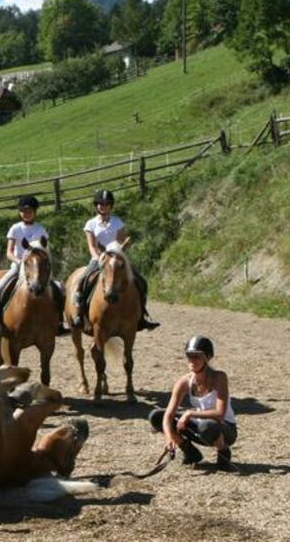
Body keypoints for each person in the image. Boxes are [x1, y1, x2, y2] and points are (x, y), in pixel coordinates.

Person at [71, 189, 160, 331]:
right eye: (100, 203)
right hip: (98, 258)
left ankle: (142, 315)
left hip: (117, 258)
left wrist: (123, 247)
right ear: (96, 205)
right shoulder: (91, 224)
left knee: (140, 281)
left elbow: (120, 241)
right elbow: (92, 246)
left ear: (110, 206)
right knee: (83, 281)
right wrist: (98, 257)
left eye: (106, 204)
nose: (103, 206)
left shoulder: (117, 222)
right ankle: (79, 314)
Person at [149, 335, 237, 471]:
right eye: (189, 355)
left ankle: (223, 452)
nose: (191, 360)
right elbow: (168, 416)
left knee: (207, 425)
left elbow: (220, 414)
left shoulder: (219, 377)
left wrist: (189, 413)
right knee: (156, 416)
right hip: (201, 427)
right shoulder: (183, 382)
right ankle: (191, 452)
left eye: (197, 356)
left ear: (208, 357)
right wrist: (169, 438)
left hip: (225, 429)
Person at [0, 195, 66, 338]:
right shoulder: (15, 228)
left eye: (29, 211)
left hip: (38, 268)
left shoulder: (41, 229)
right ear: (19, 212)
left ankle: (59, 323)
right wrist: (19, 262)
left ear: (35, 212)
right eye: (23, 211)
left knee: (60, 288)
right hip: (18, 266)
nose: (26, 213)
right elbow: (9, 252)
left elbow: (46, 251)